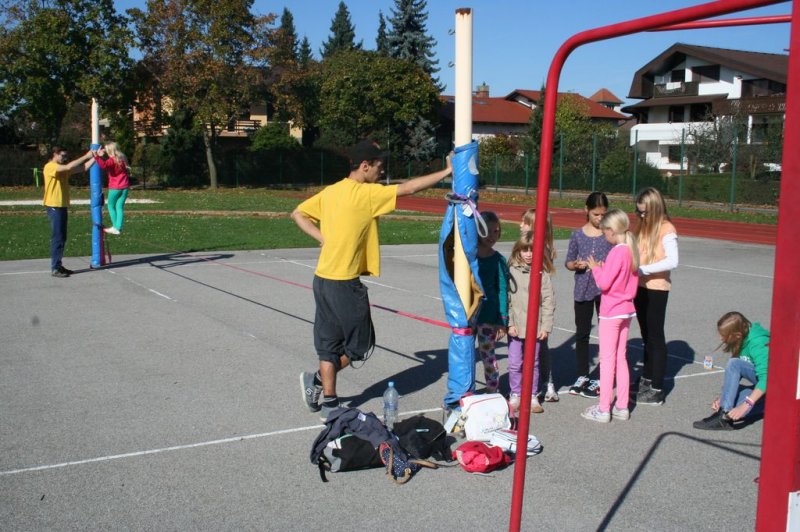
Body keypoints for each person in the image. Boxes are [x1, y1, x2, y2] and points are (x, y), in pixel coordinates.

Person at [293, 139, 453, 420]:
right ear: (364, 166)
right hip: (344, 283)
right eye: (380, 166)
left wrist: (323, 238)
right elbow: (409, 188)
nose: (382, 171)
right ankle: (318, 381)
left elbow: (298, 213)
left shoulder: (332, 192)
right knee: (360, 346)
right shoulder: (366, 194)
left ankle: (329, 403)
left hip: (323, 280)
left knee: (328, 344)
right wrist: (446, 172)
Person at [582, 209, 639, 423]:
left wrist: (596, 269)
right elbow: (620, 278)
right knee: (621, 358)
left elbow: (604, 283)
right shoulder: (631, 251)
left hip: (612, 311)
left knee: (607, 361)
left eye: (604, 231)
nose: (604, 235)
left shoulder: (617, 251)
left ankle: (604, 408)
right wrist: (605, 270)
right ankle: (622, 406)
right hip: (626, 309)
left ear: (611, 230)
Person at [564, 192, 613, 399]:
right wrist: (575, 265)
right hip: (583, 288)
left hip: (605, 290)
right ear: (586, 210)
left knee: (606, 335)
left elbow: (618, 261)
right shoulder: (577, 235)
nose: (599, 219)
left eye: (603, 215)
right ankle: (582, 374)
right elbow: (568, 261)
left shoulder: (610, 235)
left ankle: (604, 375)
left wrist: (605, 267)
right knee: (582, 333)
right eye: (595, 214)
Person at [633, 187, 679, 405]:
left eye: (645, 212)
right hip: (640, 286)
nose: (641, 216)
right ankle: (646, 377)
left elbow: (673, 261)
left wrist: (644, 269)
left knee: (656, 336)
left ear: (656, 208)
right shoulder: (642, 226)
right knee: (646, 335)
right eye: (639, 212)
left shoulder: (666, 228)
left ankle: (657, 388)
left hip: (657, 287)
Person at [693, 312, 769, 430]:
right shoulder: (743, 336)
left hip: (781, 387)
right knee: (732, 407)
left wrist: (746, 405)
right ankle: (724, 413)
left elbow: (767, 378)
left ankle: (775, 405)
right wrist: (723, 398)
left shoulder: (758, 343)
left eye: (724, 335)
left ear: (737, 335)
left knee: (734, 364)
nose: (721, 338)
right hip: (765, 384)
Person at [507, 232, 555, 414]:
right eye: (524, 250)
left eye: (532, 250)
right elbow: (507, 300)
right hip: (516, 327)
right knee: (514, 363)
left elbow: (548, 301)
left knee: (533, 363)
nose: (528, 254)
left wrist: (546, 326)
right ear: (518, 251)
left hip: (535, 328)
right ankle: (515, 394)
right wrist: (509, 323)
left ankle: (533, 395)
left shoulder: (542, 273)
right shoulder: (512, 271)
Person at [519, 208, 559, 402]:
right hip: (527, 304)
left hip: (538, 306)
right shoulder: (532, 247)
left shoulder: (539, 248)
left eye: (524, 222)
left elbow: (544, 286)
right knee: (535, 348)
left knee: (539, 347)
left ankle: (546, 383)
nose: (520, 225)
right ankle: (544, 383)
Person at [42, 146, 96, 278]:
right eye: (62, 156)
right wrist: (86, 155)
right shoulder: (50, 166)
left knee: (62, 237)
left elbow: (83, 168)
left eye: (66, 156)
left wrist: (95, 157)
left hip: (62, 206)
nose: (64, 158)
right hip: (54, 206)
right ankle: (55, 268)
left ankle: (58, 265)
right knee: (57, 237)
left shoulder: (62, 168)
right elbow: (67, 167)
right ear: (55, 154)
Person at [474, 211, 509, 394]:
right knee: (464, 356)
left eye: (496, 231)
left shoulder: (498, 260)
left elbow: (503, 290)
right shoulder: (469, 257)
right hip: (468, 315)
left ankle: (492, 390)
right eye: (488, 231)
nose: (492, 236)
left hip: (488, 316)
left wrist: (502, 320)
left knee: (488, 355)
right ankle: (465, 390)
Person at [92, 142, 130, 235]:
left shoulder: (112, 160)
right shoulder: (122, 157)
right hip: (125, 187)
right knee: (119, 207)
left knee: (111, 206)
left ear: (109, 151)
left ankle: (115, 227)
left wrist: (97, 156)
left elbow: (103, 165)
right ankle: (118, 226)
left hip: (115, 187)